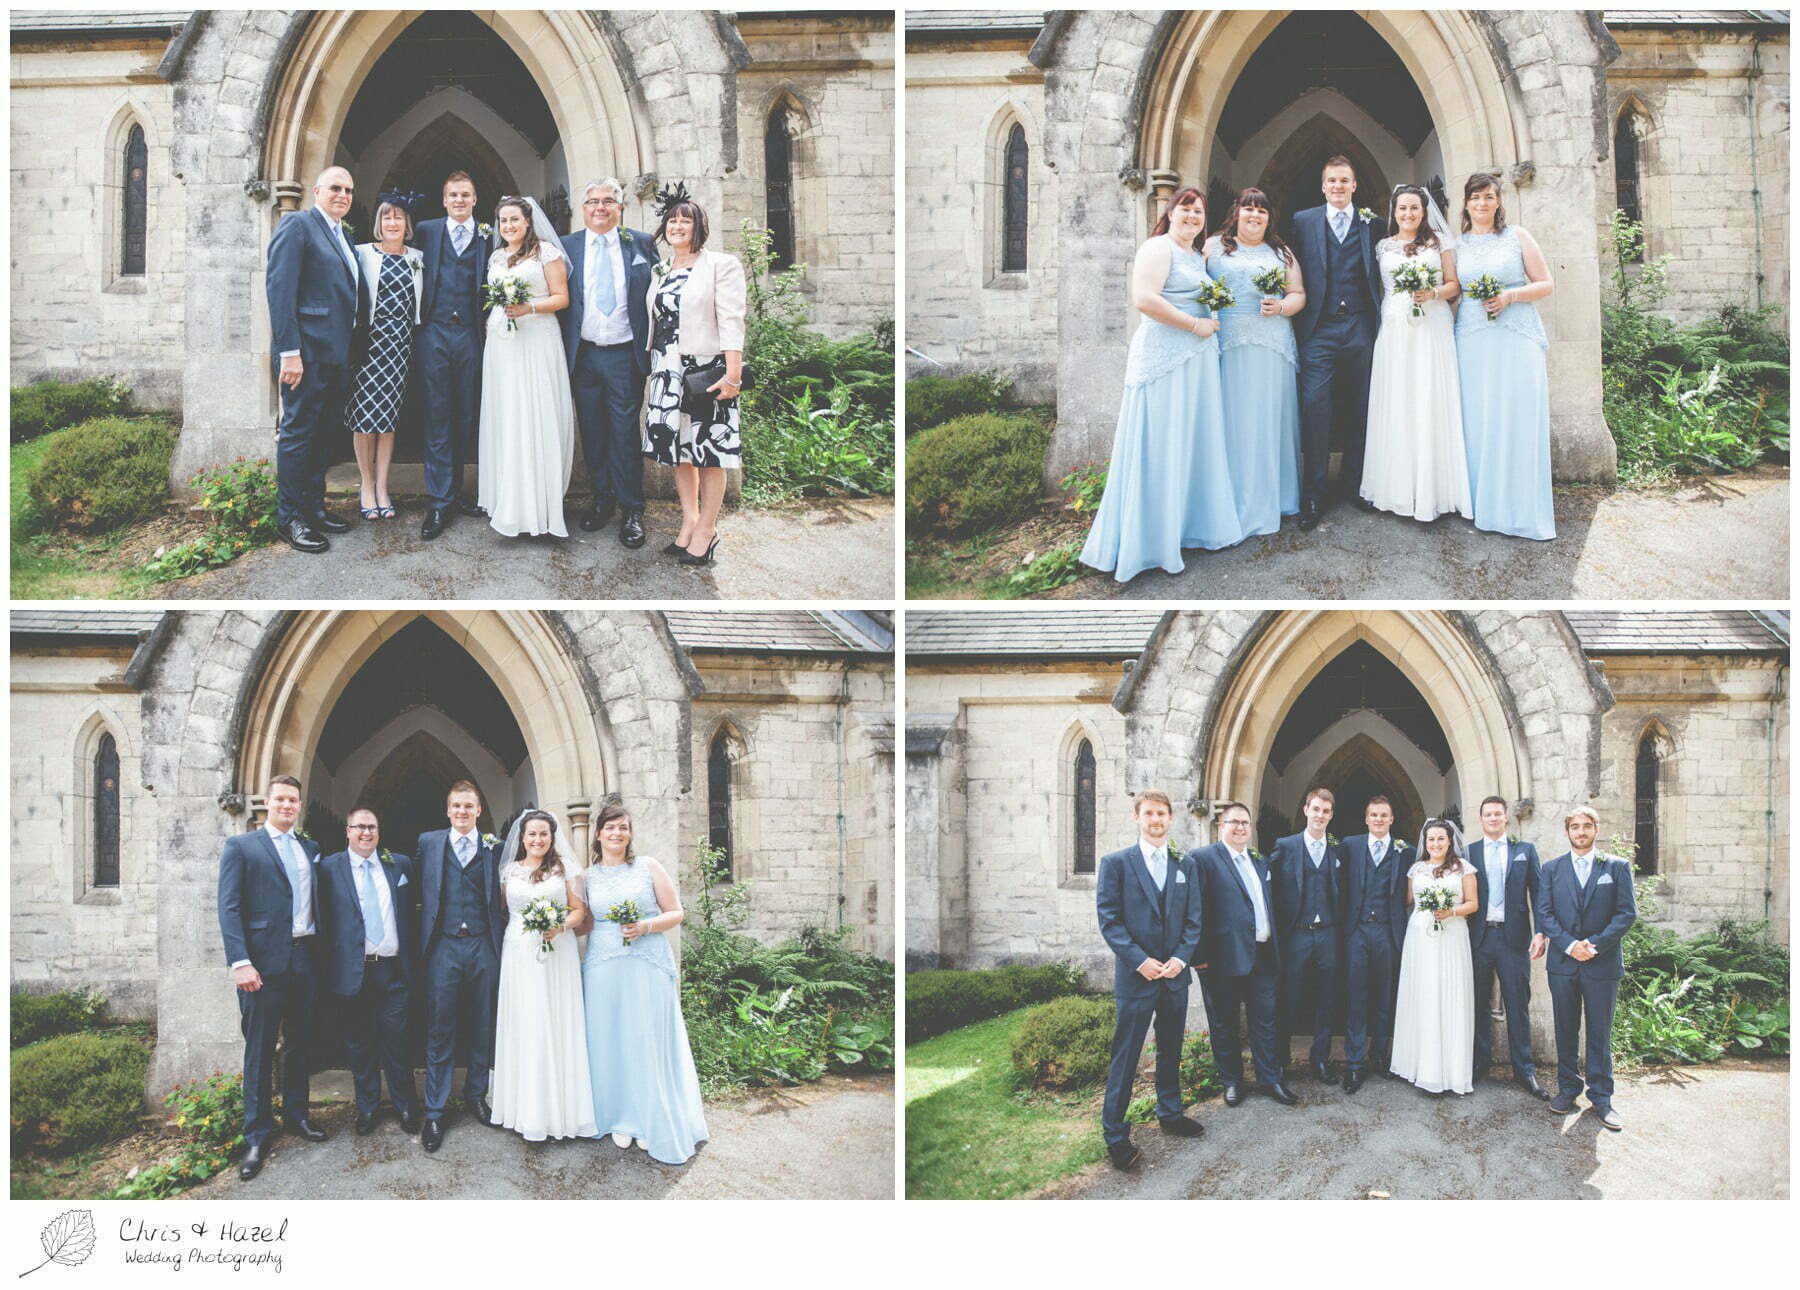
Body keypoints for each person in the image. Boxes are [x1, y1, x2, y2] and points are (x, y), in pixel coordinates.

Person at [1078, 186, 1240, 581]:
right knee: (1161, 442)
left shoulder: (1195, 255)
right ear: (1169, 213)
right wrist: (1194, 324)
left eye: (1199, 212)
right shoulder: (1156, 248)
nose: (1192, 217)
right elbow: (1144, 299)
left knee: (1188, 442)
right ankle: (1149, 542)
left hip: (1196, 360)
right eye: (1185, 210)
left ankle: (1183, 528)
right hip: (1164, 357)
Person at [578, 802, 709, 1164]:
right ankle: (620, 1116)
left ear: (630, 833)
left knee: (646, 1037)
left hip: (646, 962)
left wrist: (646, 926)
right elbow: (586, 922)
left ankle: (650, 1118)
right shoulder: (587, 877)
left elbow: (676, 912)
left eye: (623, 827)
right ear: (599, 833)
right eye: (610, 827)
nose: (617, 833)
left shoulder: (648, 867)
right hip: (604, 966)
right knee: (610, 1038)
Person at [216, 775, 327, 1181]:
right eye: (280, 799)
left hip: (304, 959)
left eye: (293, 800)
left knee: (300, 1044)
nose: (287, 806)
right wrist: (240, 961)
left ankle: (297, 1115)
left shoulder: (310, 848)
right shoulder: (242, 847)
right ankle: (257, 1134)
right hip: (260, 966)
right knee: (260, 1049)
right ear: (267, 802)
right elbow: (228, 908)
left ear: (299, 805)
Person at [1095, 790, 1205, 1172]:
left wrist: (1180, 959)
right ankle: (1115, 1135)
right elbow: (1110, 920)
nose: (1156, 819)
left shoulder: (1184, 865)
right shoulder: (1116, 864)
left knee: (1170, 1050)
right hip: (1137, 978)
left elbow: (1194, 921)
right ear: (1137, 817)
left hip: (1174, 977)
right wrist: (1139, 961)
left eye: (1161, 813)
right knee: (1125, 1057)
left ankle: (1170, 1113)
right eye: (1149, 813)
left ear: (1170, 819)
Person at [642, 186, 745, 566]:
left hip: (704, 369)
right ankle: (688, 520)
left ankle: (708, 528)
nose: (678, 226)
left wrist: (733, 374)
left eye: (686, 220)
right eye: (672, 220)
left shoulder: (721, 265)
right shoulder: (660, 269)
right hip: (665, 370)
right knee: (678, 452)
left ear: (699, 226)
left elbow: (732, 320)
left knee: (708, 453)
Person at [264, 166, 363, 553]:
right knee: (297, 435)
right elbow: (280, 289)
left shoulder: (344, 237)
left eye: (349, 190)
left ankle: (313, 507)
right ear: (317, 191)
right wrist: (289, 353)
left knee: (323, 437)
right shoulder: (299, 226)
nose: (343, 195)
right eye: (336, 188)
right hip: (304, 356)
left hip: (335, 355)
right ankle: (290, 518)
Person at [1360, 184, 1473, 523]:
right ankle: (1395, 488)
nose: (1408, 214)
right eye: (1402, 209)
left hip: (1432, 326)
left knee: (1430, 398)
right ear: (1393, 211)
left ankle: (1435, 490)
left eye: (1414, 208)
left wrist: (1433, 292)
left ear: (1424, 211)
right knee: (1398, 400)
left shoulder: (1440, 243)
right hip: (1395, 327)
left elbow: (1454, 285)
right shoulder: (1382, 246)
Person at [1455, 173, 1557, 541]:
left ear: (1498, 202)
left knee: (1515, 415)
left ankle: (1517, 507)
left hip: (1516, 335)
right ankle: (1481, 503)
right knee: (1478, 417)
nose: (1482, 204)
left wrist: (1510, 297)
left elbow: (1546, 283)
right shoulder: (1458, 246)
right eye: (1475, 197)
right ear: (1465, 203)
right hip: (1472, 338)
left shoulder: (1517, 236)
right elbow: (1453, 289)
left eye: (1488, 197)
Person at [561, 178, 657, 548]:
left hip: (623, 353)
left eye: (608, 201)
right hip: (584, 354)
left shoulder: (641, 243)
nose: (600, 207)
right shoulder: (568, 246)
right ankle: (601, 499)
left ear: (620, 207)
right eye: (592, 202)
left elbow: (656, 296)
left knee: (624, 431)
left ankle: (632, 507)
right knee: (594, 431)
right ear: (582, 208)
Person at [491, 810, 597, 1142]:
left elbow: (579, 911)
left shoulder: (564, 869)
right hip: (519, 953)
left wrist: (560, 925)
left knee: (556, 1021)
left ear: (552, 838)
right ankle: (523, 1110)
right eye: (532, 834)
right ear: (522, 837)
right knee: (525, 1022)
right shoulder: (508, 871)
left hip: (557, 952)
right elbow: (504, 911)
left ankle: (561, 1112)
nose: (537, 840)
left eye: (544, 835)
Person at [315, 805, 421, 1135]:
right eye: (359, 827)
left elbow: (414, 912)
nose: (366, 833)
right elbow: (323, 918)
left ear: (378, 831)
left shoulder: (399, 865)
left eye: (372, 827)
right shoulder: (330, 868)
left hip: (392, 971)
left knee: (398, 1042)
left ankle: (406, 1107)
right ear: (347, 831)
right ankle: (368, 1109)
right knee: (360, 1045)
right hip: (353, 971)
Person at [1204, 188, 1304, 537]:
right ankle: (1228, 499)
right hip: (1228, 343)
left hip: (1271, 345)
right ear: (1237, 213)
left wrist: (1280, 307)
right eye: (1248, 209)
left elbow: (1298, 295)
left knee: (1267, 418)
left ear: (1268, 218)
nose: (1254, 215)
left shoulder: (1281, 252)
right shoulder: (1213, 247)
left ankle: (1273, 497)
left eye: (1261, 210)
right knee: (1233, 419)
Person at [1290, 156, 1382, 528]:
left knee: (1361, 407)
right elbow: (1287, 263)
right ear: (1323, 185)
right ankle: (1313, 494)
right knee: (1316, 409)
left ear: (1355, 185)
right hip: (1319, 329)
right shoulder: (1303, 221)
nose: (1338, 186)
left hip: (1360, 326)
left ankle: (1353, 483)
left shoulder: (1373, 224)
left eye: (1345, 180)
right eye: (1332, 181)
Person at [477, 195, 575, 538]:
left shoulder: (546, 252)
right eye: (503, 221)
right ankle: (507, 500)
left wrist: (528, 308)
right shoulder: (495, 256)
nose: (508, 226)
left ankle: (538, 507)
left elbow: (561, 297)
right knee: (507, 417)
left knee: (533, 414)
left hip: (536, 341)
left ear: (528, 221)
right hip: (502, 346)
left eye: (514, 220)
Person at [1537, 807, 1637, 1131]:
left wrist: (1592, 945)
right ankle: (1567, 1090)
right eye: (1575, 827)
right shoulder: (1551, 869)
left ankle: (1602, 1098)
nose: (1580, 832)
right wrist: (1569, 945)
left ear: (1596, 829)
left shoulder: (1617, 868)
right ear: (1567, 831)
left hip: (1602, 963)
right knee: (1565, 1029)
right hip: (1563, 964)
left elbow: (1626, 914)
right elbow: (1545, 913)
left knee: (1599, 1032)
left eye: (1586, 826)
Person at [416, 781, 502, 1152]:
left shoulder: (494, 848)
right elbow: (417, 892)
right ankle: (434, 1110)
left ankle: (476, 1095)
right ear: (447, 810)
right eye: (457, 806)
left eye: (469, 806)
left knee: (482, 1023)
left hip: (484, 944)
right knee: (441, 1027)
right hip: (444, 947)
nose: (463, 812)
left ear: (479, 810)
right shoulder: (429, 843)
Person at [1193, 802, 1294, 1107]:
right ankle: (1232, 1082)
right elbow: (1193, 908)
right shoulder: (1203, 859)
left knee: (1264, 1021)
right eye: (1234, 822)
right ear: (1221, 826)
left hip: (1261, 955)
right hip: (1221, 958)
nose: (1240, 828)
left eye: (1245, 823)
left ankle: (1270, 1078)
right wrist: (1198, 956)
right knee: (1224, 1023)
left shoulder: (1259, 862)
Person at [414, 171, 491, 540]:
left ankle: (458, 492)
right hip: (434, 332)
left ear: (475, 199)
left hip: (472, 336)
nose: (459, 200)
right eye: (453, 195)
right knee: (437, 414)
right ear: (443, 200)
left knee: (465, 414)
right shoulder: (427, 231)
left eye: (465, 194)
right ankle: (439, 500)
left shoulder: (489, 236)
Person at [1468, 796, 1551, 1099]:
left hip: (1514, 938)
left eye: (1497, 814)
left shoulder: (1524, 851)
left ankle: (1524, 1069)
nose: (1492, 818)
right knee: (1477, 1003)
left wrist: (1542, 932)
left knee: (1518, 1002)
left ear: (1506, 818)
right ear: (1481, 819)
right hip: (1479, 937)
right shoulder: (1469, 852)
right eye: (1487, 814)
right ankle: (1480, 1062)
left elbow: (1540, 894)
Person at [347, 193, 425, 520]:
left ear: (407, 224)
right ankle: (366, 485)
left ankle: (383, 487)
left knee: (388, 420)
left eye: (398, 218)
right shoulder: (362, 254)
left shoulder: (418, 257)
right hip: (369, 346)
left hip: (400, 346)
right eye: (387, 217)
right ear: (379, 223)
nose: (392, 223)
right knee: (365, 419)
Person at [1390, 818, 1478, 1095]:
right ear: (1424, 842)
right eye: (1431, 839)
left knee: (1450, 996)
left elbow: (1473, 903)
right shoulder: (1415, 869)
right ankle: (1420, 1067)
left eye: (1441, 839)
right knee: (1423, 996)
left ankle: (1451, 1072)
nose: (1435, 844)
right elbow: (1406, 901)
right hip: (1419, 939)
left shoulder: (1463, 868)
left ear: (1450, 841)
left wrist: (1450, 911)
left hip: (1451, 936)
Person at [1269, 787, 1342, 1084]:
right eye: (1316, 809)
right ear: (1306, 810)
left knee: (1328, 999)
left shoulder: (1339, 849)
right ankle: (1281, 1060)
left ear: (1331, 815)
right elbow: (1269, 890)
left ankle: (1320, 1059)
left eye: (1325, 811)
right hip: (1296, 935)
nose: (1320, 815)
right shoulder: (1285, 846)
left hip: (1327, 934)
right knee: (1289, 997)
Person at [1340, 796, 1408, 1092]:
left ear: (1392, 819)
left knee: (1384, 996)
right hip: (1357, 932)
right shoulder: (1350, 846)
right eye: (1374, 815)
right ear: (1366, 819)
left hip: (1388, 932)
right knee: (1356, 997)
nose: (1379, 819)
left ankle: (1379, 1057)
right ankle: (1354, 1064)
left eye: (1384, 815)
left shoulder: (1406, 851)